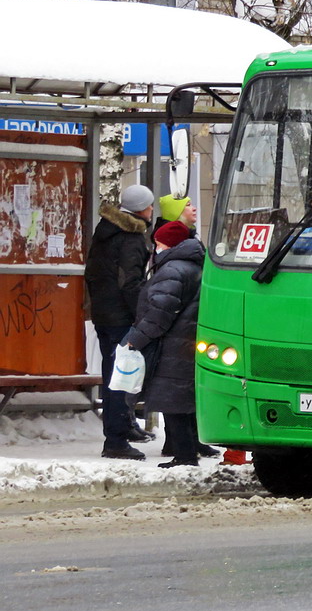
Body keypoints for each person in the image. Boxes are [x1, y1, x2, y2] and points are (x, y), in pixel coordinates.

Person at [122, 222, 206, 468]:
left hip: (173, 344)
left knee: (173, 400)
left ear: (168, 244)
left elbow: (160, 312)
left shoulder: (173, 269)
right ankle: (188, 451)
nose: (155, 248)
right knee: (183, 399)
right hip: (188, 340)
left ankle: (185, 455)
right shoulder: (195, 267)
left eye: (158, 243)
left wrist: (136, 338)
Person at [85, 184, 156, 460]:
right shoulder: (131, 237)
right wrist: (143, 316)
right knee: (121, 378)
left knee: (116, 373)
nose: (152, 210)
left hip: (105, 313)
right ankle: (115, 441)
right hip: (121, 318)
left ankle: (123, 428)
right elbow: (131, 284)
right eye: (149, 205)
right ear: (140, 209)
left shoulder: (106, 231)